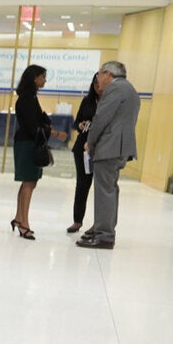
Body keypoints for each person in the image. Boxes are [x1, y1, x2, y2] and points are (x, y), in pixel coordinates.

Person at [78, 61, 139, 249]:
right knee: (110, 190)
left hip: (109, 147)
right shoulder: (130, 90)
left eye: (98, 75)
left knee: (104, 191)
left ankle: (104, 235)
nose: (97, 79)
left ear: (107, 74)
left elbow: (101, 118)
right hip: (120, 147)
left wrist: (91, 142)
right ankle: (105, 231)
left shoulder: (114, 89)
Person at [9, 64, 65, 239]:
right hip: (27, 143)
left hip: (28, 143)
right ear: (35, 78)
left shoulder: (30, 97)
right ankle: (24, 224)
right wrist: (55, 133)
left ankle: (19, 218)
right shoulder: (26, 99)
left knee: (29, 182)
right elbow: (33, 127)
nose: (44, 80)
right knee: (28, 183)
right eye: (43, 77)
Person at [67, 73, 100, 233]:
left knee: (102, 187)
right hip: (83, 148)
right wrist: (80, 125)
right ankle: (77, 220)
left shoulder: (110, 102)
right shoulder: (87, 100)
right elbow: (75, 122)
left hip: (101, 148)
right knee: (82, 184)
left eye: (100, 84)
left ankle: (98, 224)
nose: (98, 88)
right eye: (95, 84)